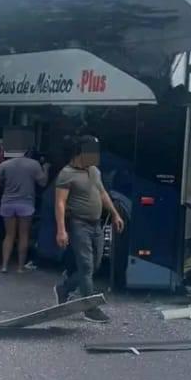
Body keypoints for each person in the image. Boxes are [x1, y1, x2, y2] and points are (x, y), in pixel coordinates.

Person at [54, 134, 124, 318]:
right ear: (80, 153)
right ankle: (90, 308)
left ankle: (64, 288)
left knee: (95, 264)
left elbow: (102, 193)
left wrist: (115, 214)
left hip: (96, 225)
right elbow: (60, 203)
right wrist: (61, 230)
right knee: (85, 266)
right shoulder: (66, 174)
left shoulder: (94, 171)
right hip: (79, 224)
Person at [0, 149, 47, 273]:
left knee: (9, 235)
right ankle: (20, 267)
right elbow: (43, 182)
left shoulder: (5, 165)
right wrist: (46, 169)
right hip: (26, 204)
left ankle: (4, 265)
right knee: (23, 236)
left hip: (7, 203)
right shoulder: (34, 164)